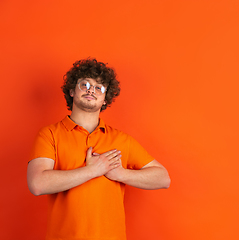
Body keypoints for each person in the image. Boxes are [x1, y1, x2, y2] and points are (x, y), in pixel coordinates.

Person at [27, 58, 170, 240]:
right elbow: (37, 184)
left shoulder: (121, 140)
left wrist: (120, 174)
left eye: (98, 87)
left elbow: (163, 178)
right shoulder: (49, 134)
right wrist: (93, 170)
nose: (91, 90)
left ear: (105, 99)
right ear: (72, 91)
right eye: (84, 84)